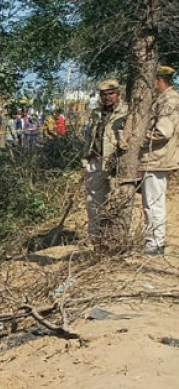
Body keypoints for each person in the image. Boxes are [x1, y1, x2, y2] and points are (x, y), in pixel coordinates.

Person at [137, 65, 179, 255]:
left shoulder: (169, 100)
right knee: (152, 202)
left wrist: (137, 139)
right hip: (154, 157)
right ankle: (154, 241)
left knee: (153, 203)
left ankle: (155, 244)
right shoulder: (163, 99)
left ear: (159, 80)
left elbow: (163, 132)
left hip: (158, 157)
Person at [81, 79, 127, 241]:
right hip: (95, 161)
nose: (107, 97)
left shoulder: (126, 112)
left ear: (118, 94)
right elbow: (89, 136)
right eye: (104, 94)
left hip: (116, 163)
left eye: (110, 94)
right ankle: (94, 237)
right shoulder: (96, 113)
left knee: (118, 201)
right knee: (92, 202)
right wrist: (86, 158)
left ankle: (117, 238)